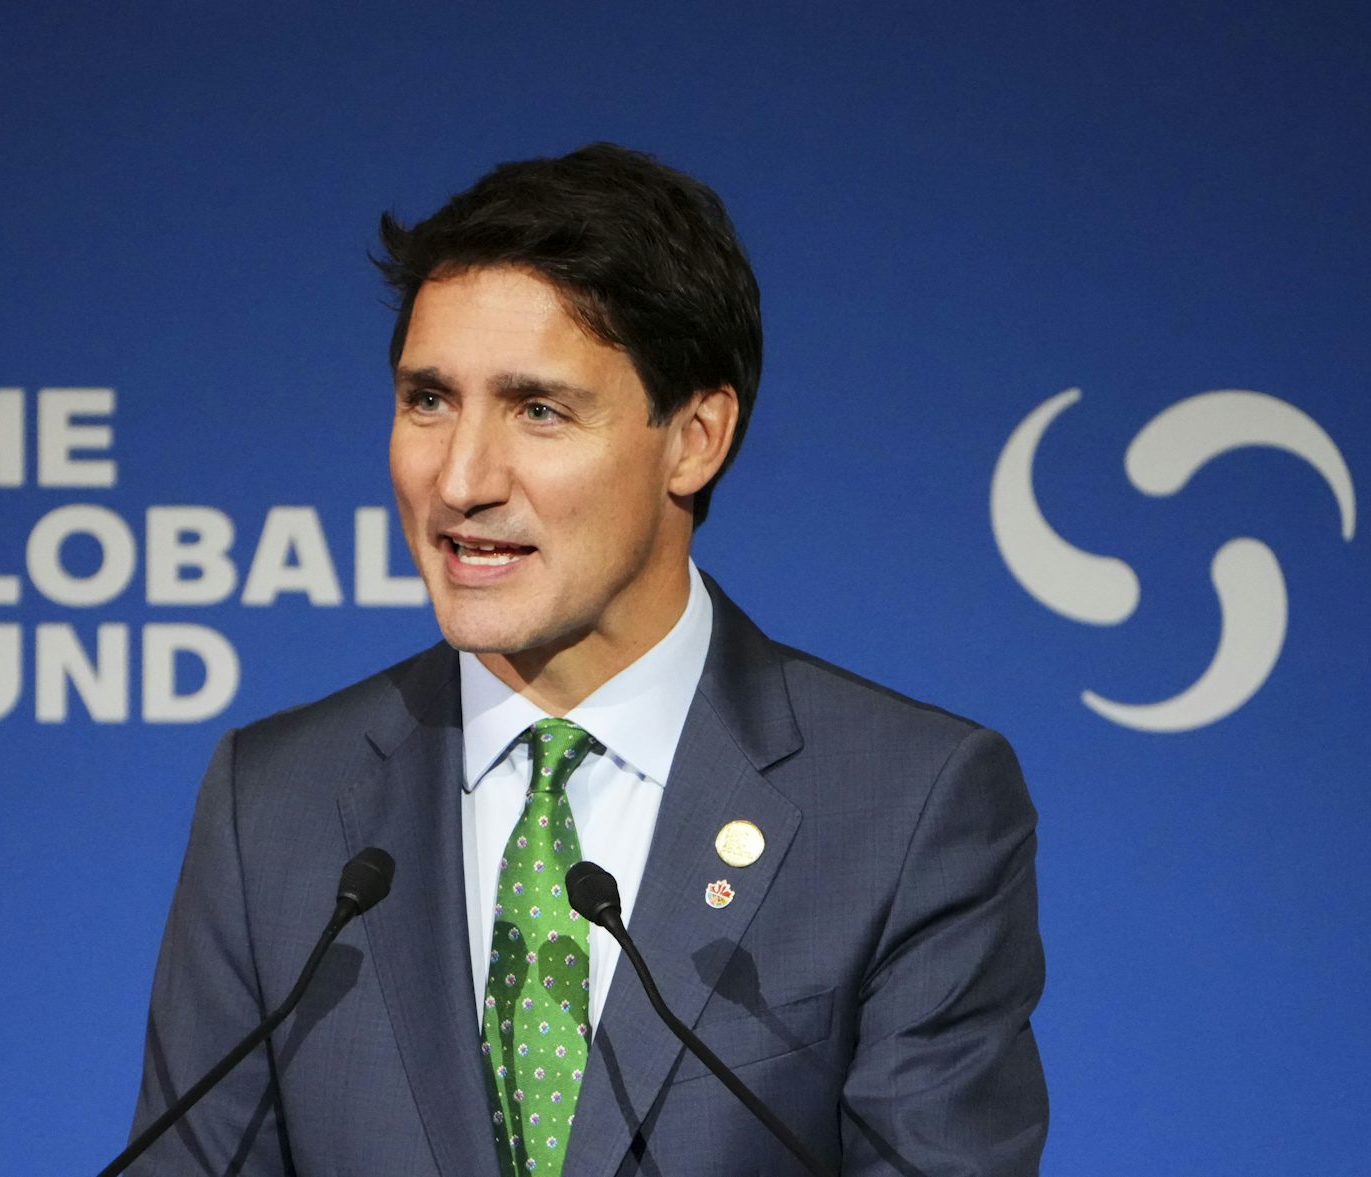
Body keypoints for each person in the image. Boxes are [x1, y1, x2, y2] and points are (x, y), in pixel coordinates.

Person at [127, 143, 1048, 1176]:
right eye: (428, 399)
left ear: (694, 438)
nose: (462, 477)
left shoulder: (905, 804)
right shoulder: (276, 804)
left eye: (539, 409)